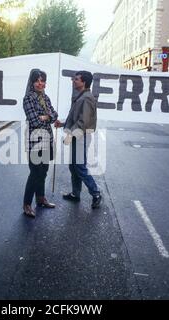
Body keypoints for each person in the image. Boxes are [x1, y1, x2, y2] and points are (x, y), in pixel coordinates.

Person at [55, 71, 102, 209]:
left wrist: (70, 135)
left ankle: (96, 193)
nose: (73, 81)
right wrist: (63, 124)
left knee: (80, 167)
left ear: (84, 83)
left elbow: (83, 121)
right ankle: (76, 194)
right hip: (78, 135)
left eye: (76, 79)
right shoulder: (81, 95)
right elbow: (76, 117)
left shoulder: (86, 98)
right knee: (73, 166)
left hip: (81, 136)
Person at [22, 70, 58, 218]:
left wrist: (45, 117)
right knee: (35, 172)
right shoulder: (28, 98)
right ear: (32, 82)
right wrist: (46, 117)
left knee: (43, 171)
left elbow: (55, 115)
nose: (40, 83)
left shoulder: (46, 97)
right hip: (35, 141)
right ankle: (27, 204)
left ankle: (41, 198)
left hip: (47, 139)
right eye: (37, 80)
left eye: (42, 81)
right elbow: (35, 121)